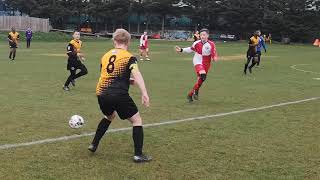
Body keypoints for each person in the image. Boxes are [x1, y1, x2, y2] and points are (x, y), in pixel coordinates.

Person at [88, 29, 152, 163]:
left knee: (109, 116)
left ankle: (93, 144)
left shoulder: (105, 56)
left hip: (102, 93)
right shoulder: (129, 57)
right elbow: (137, 73)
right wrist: (144, 92)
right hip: (118, 94)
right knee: (137, 120)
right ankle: (138, 155)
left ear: (114, 41)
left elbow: (108, 75)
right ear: (128, 42)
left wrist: (127, 81)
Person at [175, 28, 218, 102]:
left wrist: (214, 57)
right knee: (202, 74)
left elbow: (214, 53)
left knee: (201, 79)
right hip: (197, 60)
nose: (202, 36)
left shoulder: (211, 44)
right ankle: (195, 91)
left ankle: (191, 94)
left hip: (207, 62)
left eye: (204, 35)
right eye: (201, 35)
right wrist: (181, 50)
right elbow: (191, 49)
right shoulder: (196, 43)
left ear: (208, 35)